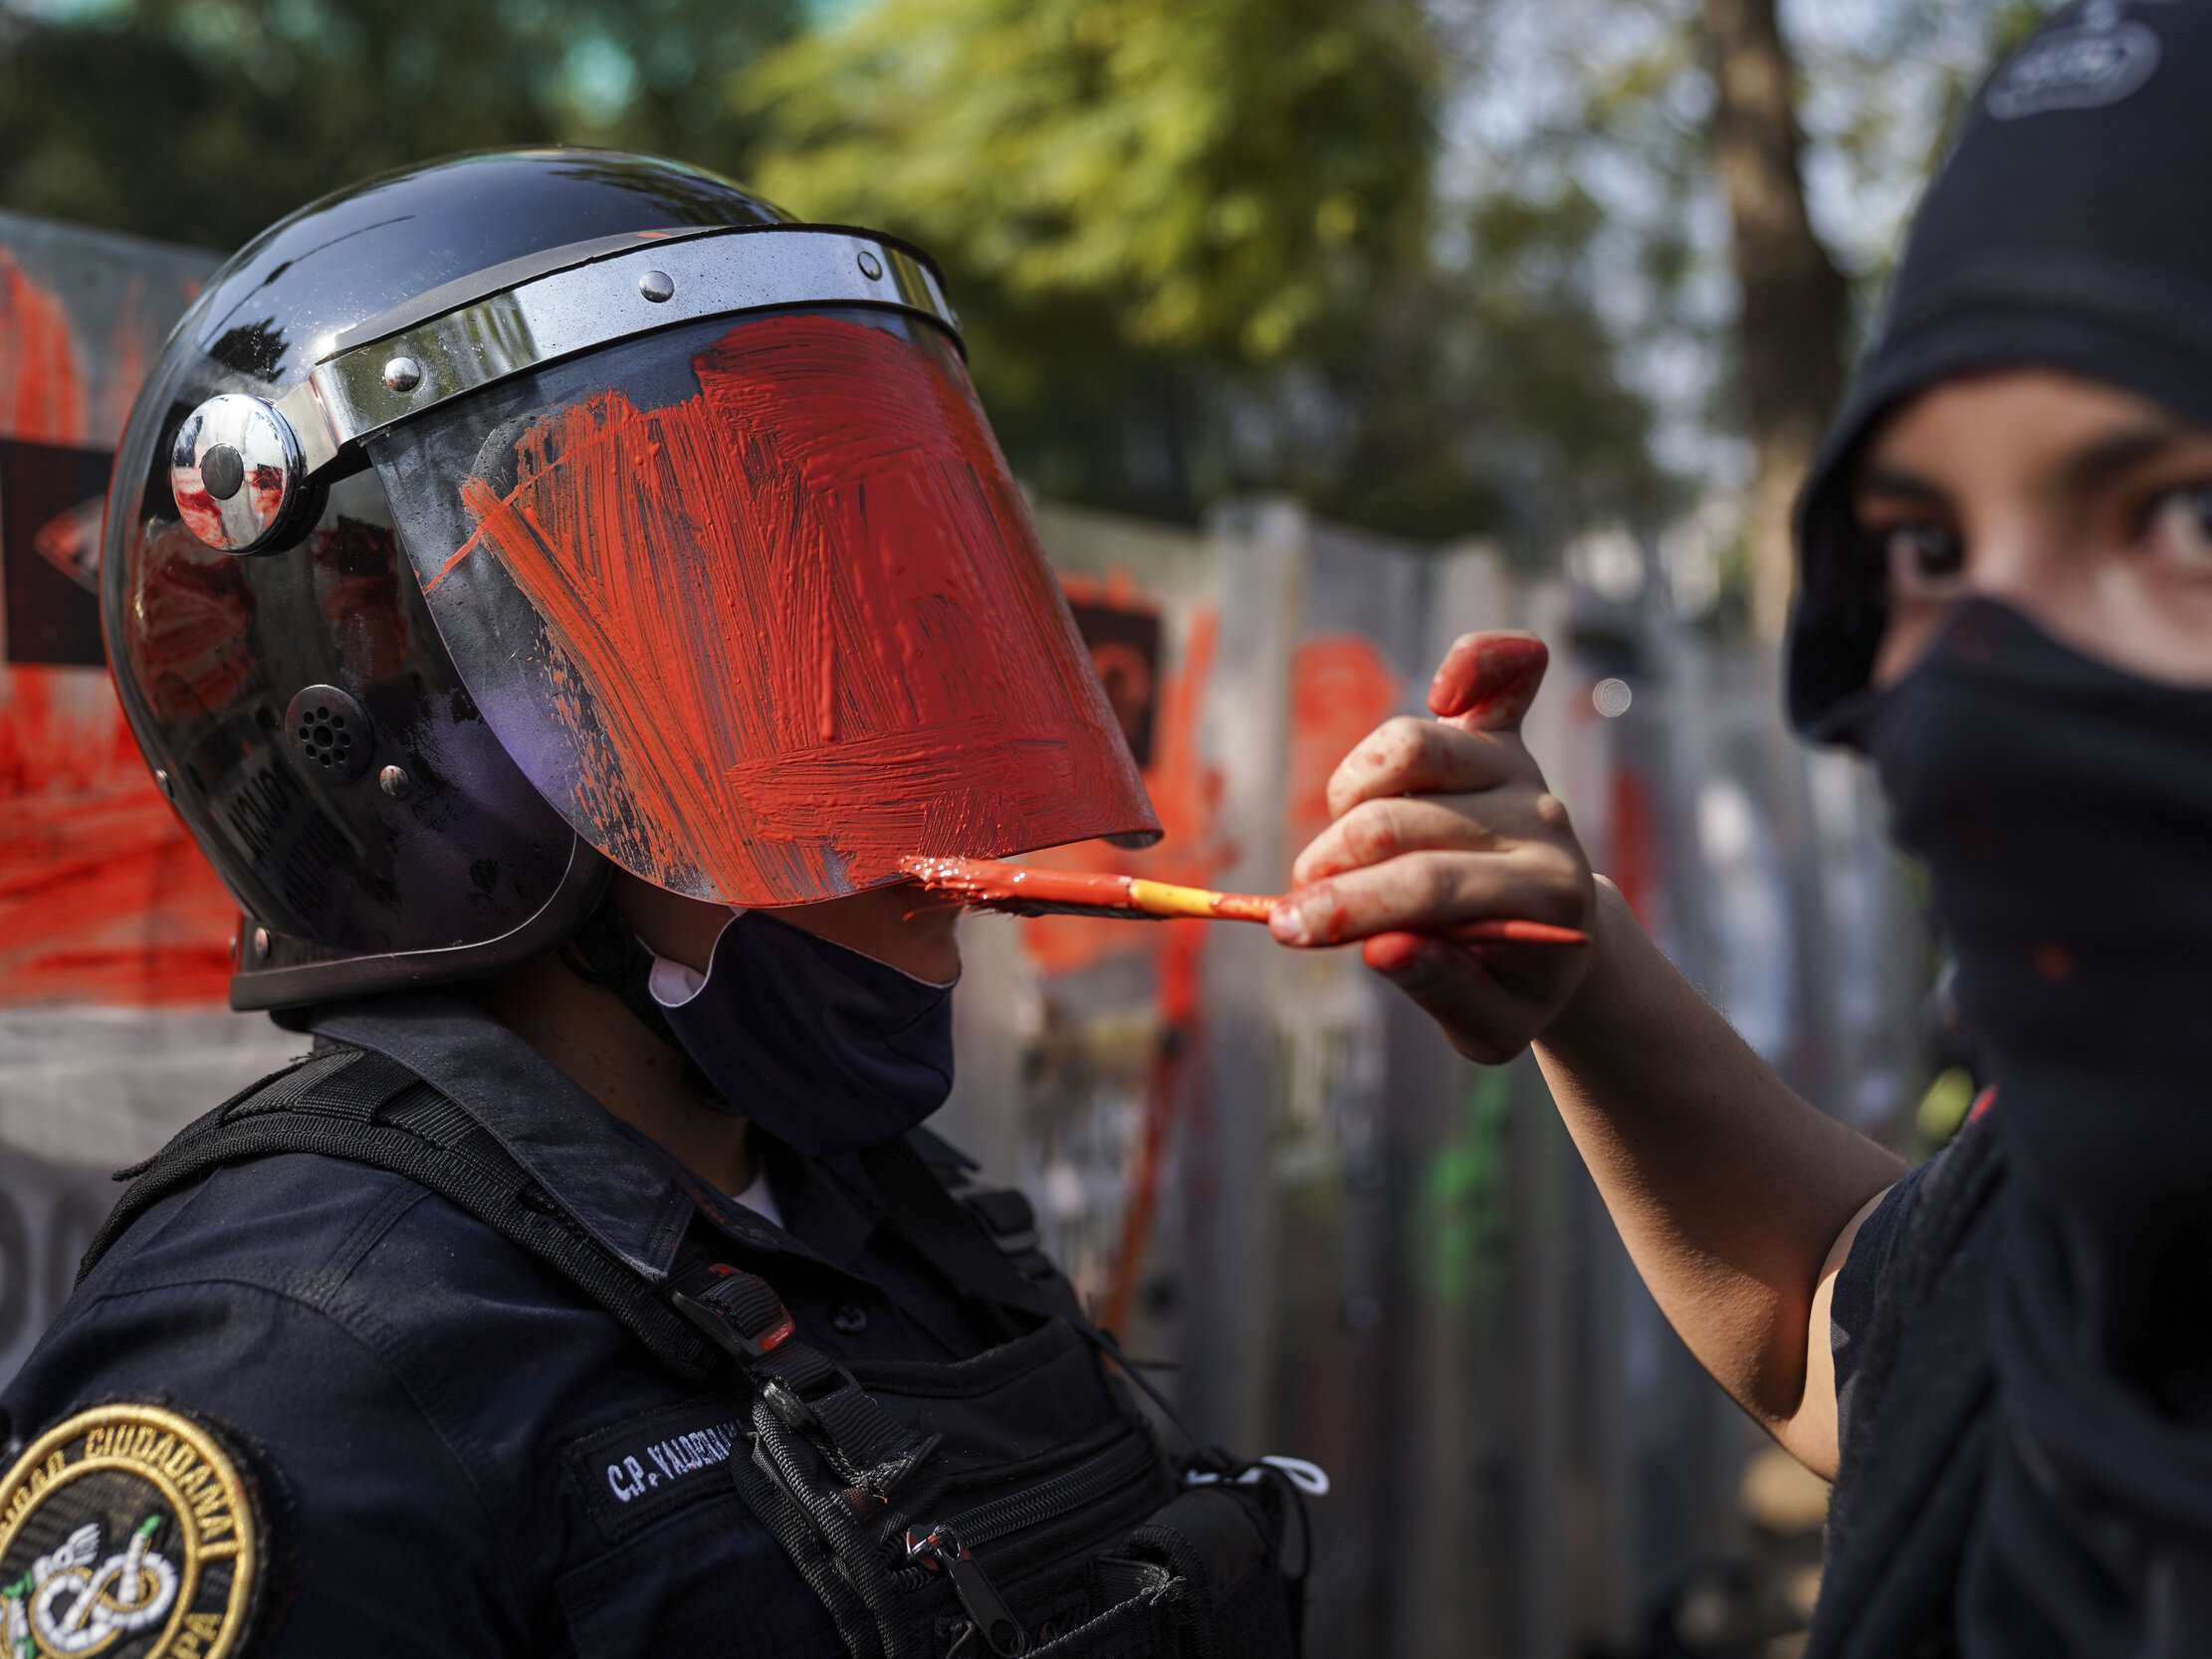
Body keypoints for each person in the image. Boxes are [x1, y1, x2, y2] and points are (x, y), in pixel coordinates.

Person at [1270, 1, 2212, 1652]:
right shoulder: (2123, 1196)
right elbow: (1843, 1332)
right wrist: (1585, 978)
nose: (1988, 677)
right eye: (1921, 547)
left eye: (2209, 514)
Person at [0, 149, 1299, 1659]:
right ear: (423, 749)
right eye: (784, 691)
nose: (929, 789)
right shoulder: (297, 1353)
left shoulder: (890, 1212)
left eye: (912, 657)